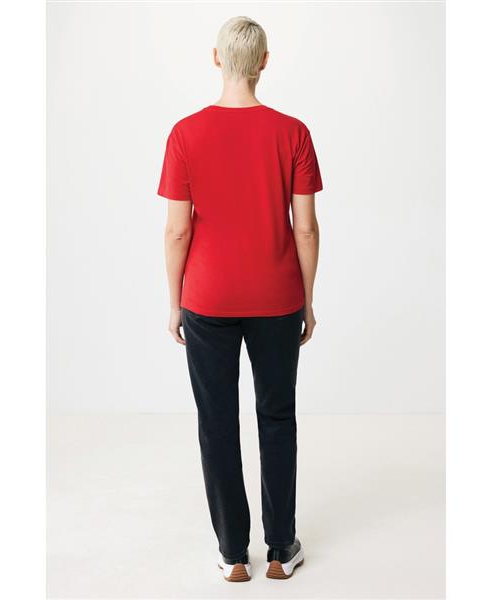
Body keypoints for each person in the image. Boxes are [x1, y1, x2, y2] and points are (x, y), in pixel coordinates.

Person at [158, 16, 322, 582]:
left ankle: (232, 553)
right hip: (277, 297)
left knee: (217, 423)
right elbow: (306, 228)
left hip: (208, 298)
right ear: (264, 62)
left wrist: (175, 301)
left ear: (216, 59)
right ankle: (280, 549)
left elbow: (177, 230)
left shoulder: (185, 134)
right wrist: (307, 299)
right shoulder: (293, 133)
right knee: (277, 417)